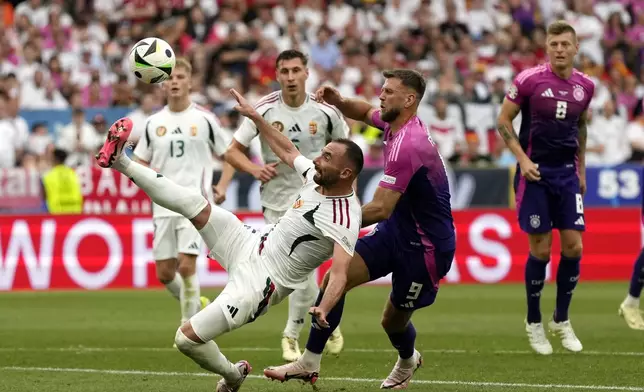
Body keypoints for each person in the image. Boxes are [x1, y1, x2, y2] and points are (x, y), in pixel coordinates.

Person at [94, 86, 363, 392]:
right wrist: (255, 117)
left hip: (261, 284)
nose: (317, 159)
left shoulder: (345, 216)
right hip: (250, 243)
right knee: (194, 203)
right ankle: (121, 162)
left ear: (345, 173)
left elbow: (340, 272)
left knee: (185, 339)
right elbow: (289, 150)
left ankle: (232, 375)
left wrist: (325, 307)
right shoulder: (316, 178)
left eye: (326, 157)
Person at [263, 68, 456, 389]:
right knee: (335, 278)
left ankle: (408, 359)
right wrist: (338, 101)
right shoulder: (396, 123)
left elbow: (381, 208)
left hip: (426, 249)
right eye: (382, 89)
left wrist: (328, 220)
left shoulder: (409, 144)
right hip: (397, 232)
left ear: (409, 100)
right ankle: (309, 362)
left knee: (391, 322)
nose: (381, 95)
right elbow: (364, 111)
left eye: (389, 91)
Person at [225, 49, 349, 361]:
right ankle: (296, 334)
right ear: (277, 75)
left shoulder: (326, 111)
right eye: (285, 72)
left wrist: (349, 196)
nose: (291, 77)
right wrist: (254, 169)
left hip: (320, 200)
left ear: (307, 73)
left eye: (296, 70)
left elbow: (348, 154)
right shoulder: (264, 109)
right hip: (278, 204)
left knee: (306, 272)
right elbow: (232, 152)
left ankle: (313, 323)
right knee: (299, 273)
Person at [495, 21, 595, 355]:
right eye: (554, 44)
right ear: (547, 47)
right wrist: (522, 161)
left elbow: (580, 127)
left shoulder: (586, 87)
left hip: (567, 175)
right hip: (535, 173)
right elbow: (503, 121)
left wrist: (581, 169)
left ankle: (561, 319)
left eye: (566, 44)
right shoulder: (529, 80)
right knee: (540, 250)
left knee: (574, 248)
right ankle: (534, 321)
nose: (560, 49)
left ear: (576, 48)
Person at [132, 58, 235, 329]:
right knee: (165, 273)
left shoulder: (205, 119)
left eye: (179, 77)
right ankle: (196, 302)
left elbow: (230, 156)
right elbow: (141, 161)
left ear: (190, 82)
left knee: (187, 266)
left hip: (195, 203)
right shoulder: (154, 123)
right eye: (170, 78)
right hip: (163, 205)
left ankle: (190, 326)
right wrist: (146, 183)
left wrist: (222, 185)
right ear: (162, 84)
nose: (174, 82)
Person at [42, 148, 83, 214]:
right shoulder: (73, 173)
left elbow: (44, 197)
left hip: (57, 213)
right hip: (75, 213)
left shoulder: (48, 176)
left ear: (55, 159)